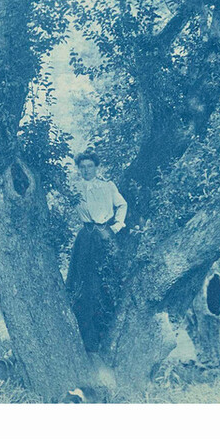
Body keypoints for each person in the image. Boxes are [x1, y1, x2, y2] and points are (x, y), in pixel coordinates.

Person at [65, 150, 127, 352]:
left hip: (104, 234)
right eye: (82, 167)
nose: (86, 170)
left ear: (96, 167)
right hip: (85, 237)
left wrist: (116, 226)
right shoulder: (74, 188)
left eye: (89, 166)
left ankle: (107, 335)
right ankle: (86, 339)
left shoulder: (108, 186)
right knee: (84, 284)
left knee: (107, 282)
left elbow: (122, 204)